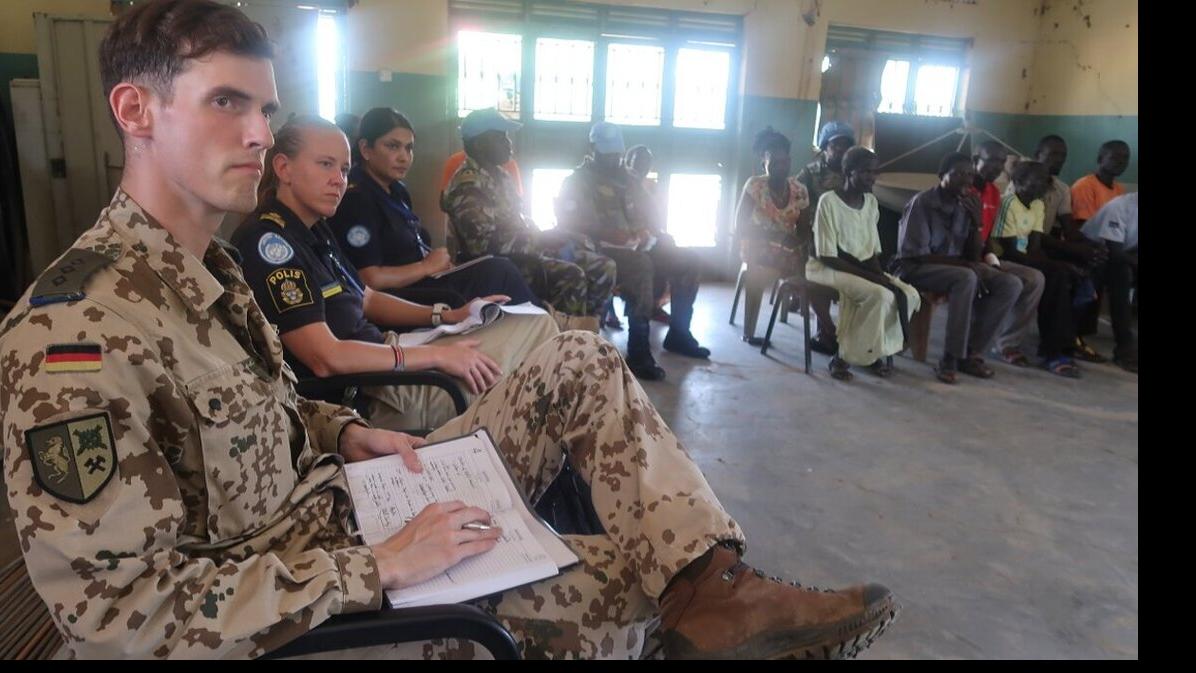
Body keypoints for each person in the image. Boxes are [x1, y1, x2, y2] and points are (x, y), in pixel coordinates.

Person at [0, 0, 899, 659]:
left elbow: (269, 408)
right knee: (632, 591)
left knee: (576, 358)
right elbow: (115, 617)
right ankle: (694, 603)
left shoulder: (211, 269)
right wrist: (380, 566)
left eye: (265, 110)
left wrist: (346, 432)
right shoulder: (77, 332)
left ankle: (714, 582)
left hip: (341, 506)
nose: (257, 134)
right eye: (226, 103)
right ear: (136, 111)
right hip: (294, 605)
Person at [233, 116, 559, 429]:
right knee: (545, 351)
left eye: (343, 169)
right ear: (284, 168)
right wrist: (434, 356)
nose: (339, 180)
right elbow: (326, 357)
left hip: (389, 353)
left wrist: (447, 315)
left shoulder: (313, 228)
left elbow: (368, 299)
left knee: (534, 324)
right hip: (375, 394)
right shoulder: (269, 243)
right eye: (325, 164)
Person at [327, 107, 538, 308]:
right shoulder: (357, 199)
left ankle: (539, 320)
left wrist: (434, 264)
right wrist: (425, 267)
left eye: (409, 148)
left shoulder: (396, 190)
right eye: (392, 146)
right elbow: (368, 279)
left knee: (500, 269)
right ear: (366, 149)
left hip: (424, 280)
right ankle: (541, 323)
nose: (404, 157)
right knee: (500, 271)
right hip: (393, 298)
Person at [556, 122, 711, 381]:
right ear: (592, 148)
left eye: (617, 153)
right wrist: (607, 234)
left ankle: (679, 334)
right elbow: (569, 224)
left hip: (637, 244)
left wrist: (648, 231)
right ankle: (639, 351)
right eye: (607, 153)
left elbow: (652, 213)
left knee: (689, 261)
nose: (613, 159)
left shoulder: (630, 179)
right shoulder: (576, 181)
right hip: (598, 249)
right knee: (640, 265)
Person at [441, 108, 615, 330]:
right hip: (498, 267)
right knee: (572, 276)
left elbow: (516, 223)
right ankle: (560, 339)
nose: (509, 143)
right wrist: (540, 240)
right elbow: (482, 247)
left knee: (602, 267)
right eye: (501, 137)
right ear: (479, 144)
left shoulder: (501, 175)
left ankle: (585, 330)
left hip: (522, 254)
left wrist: (551, 236)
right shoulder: (468, 186)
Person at [893, 153, 1021, 384]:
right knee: (966, 277)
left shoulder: (967, 203)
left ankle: (971, 353)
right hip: (916, 268)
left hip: (956, 267)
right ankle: (949, 358)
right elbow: (917, 255)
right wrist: (967, 265)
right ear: (942, 176)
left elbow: (972, 255)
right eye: (959, 174)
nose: (967, 180)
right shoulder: (922, 203)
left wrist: (977, 223)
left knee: (1010, 283)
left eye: (970, 175)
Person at [805, 147, 920, 380]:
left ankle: (870, 351)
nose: (873, 177)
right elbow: (827, 255)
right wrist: (873, 279)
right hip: (826, 268)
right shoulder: (829, 201)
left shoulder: (871, 203)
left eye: (875, 172)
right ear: (848, 172)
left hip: (859, 268)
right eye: (866, 172)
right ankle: (842, 358)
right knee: (879, 296)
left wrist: (883, 277)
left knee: (909, 294)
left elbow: (871, 250)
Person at [991, 160, 1085, 377]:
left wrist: (1056, 265)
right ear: (1018, 182)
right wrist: (1054, 265)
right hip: (1001, 257)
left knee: (1061, 274)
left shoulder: (1037, 204)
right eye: (1036, 182)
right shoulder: (1008, 204)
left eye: (1045, 183)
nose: (1042, 187)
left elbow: (1034, 247)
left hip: (1022, 257)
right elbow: (1010, 252)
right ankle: (1050, 349)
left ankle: (1060, 347)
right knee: (1047, 275)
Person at [733, 128, 811, 346]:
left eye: (784, 162)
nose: (780, 167)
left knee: (808, 270)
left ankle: (802, 311)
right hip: (756, 245)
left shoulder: (799, 190)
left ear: (790, 161)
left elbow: (804, 229)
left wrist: (795, 243)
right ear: (764, 164)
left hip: (786, 249)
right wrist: (774, 237)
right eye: (774, 163)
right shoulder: (755, 186)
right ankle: (749, 332)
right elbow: (740, 226)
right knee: (756, 274)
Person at [971, 141, 1046, 368]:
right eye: (992, 160)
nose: (997, 167)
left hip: (984, 255)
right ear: (975, 161)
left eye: (1001, 162)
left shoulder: (993, 192)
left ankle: (1008, 344)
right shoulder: (965, 189)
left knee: (1035, 278)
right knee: (1010, 283)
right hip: (965, 257)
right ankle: (972, 348)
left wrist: (992, 260)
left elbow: (986, 238)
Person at [794, 121, 859, 353]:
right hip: (814, 238)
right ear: (825, 147)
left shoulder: (854, 174)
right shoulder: (809, 173)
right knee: (819, 276)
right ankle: (828, 331)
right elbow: (796, 205)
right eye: (835, 145)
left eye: (845, 145)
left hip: (847, 238)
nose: (840, 150)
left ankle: (852, 337)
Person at [1070, 139, 1132, 360]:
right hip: (1085, 247)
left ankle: (1125, 341)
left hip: (1110, 249)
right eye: (1115, 157)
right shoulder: (1085, 186)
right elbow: (1083, 228)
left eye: (1125, 158)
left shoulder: (1119, 190)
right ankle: (1078, 335)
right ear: (1100, 158)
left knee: (1121, 268)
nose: (1120, 162)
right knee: (1118, 271)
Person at [1080, 191, 1138, 373]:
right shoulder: (1121, 207)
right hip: (1091, 253)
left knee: (1122, 270)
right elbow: (1114, 251)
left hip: (1122, 256)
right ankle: (1124, 348)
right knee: (1121, 276)